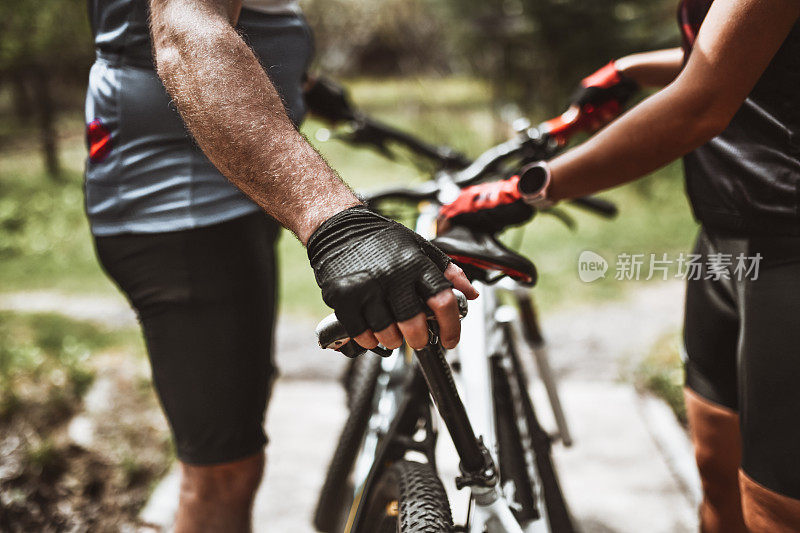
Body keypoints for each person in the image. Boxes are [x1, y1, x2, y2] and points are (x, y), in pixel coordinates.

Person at [85, 0, 476, 531]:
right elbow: (185, 32)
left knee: (243, 404)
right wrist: (338, 222)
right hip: (177, 215)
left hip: (237, 200)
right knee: (224, 469)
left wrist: (310, 88)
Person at [438, 0, 800, 531]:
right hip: (722, 240)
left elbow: (701, 104)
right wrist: (630, 70)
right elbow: (739, 56)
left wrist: (528, 190)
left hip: (789, 249)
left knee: (775, 510)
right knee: (715, 470)